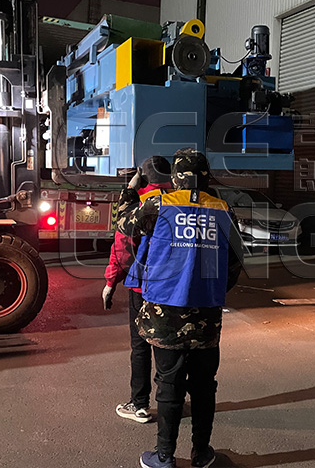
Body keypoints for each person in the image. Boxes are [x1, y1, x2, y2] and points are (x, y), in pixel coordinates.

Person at [128, 148, 243, 468]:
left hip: (165, 312)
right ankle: (201, 453)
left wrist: (130, 188)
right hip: (207, 314)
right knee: (205, 386)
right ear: (206, 176)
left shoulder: (158, 204)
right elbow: (235, 261)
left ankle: (164, 456)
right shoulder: (223, 209)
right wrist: (211, 290)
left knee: (169, 383)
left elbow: (127, 227)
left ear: (175, 176)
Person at [102, 156, 172, 424]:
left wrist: (110, 282)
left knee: (141, 343)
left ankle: (139, 404)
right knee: (168, 344)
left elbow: (122, 247)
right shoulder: (179, 201)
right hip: (172, 284)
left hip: (142, 284)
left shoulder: (139, 203)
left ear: (142, 177)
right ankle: (169, 399)